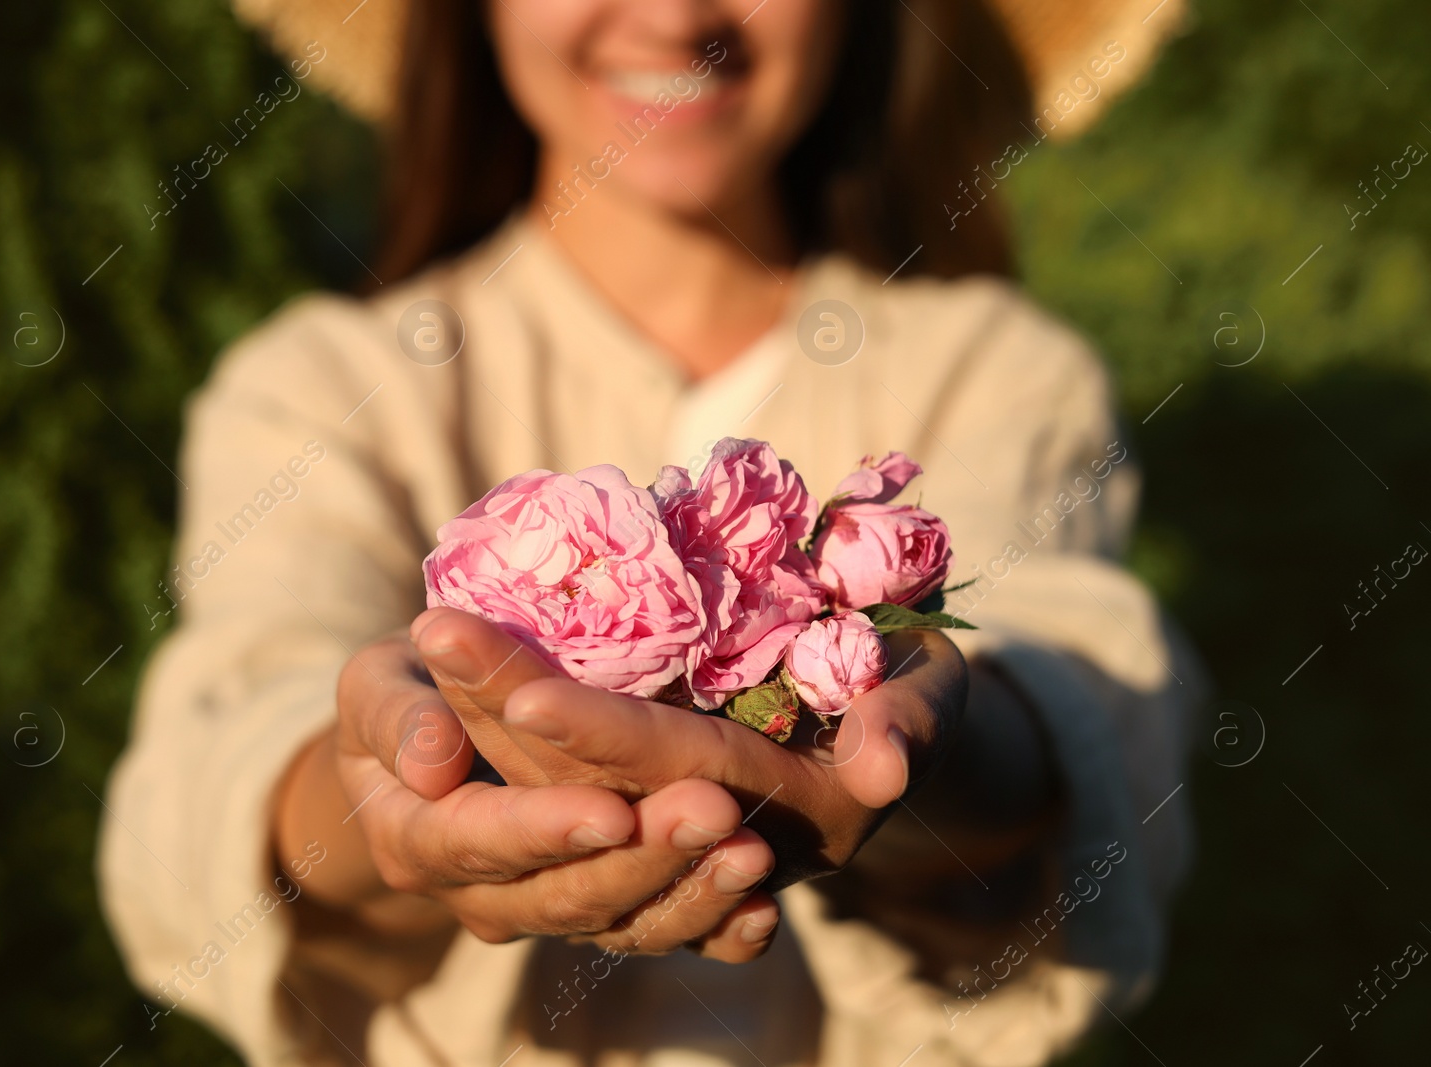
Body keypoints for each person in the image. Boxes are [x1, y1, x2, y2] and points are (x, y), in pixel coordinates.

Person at [99, 0, 1201, 1064]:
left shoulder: (993, 371)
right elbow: (225, 736)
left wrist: (928, 747)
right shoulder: (325, 389)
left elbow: (1071, 676)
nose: (674, 15)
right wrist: (373, 794)